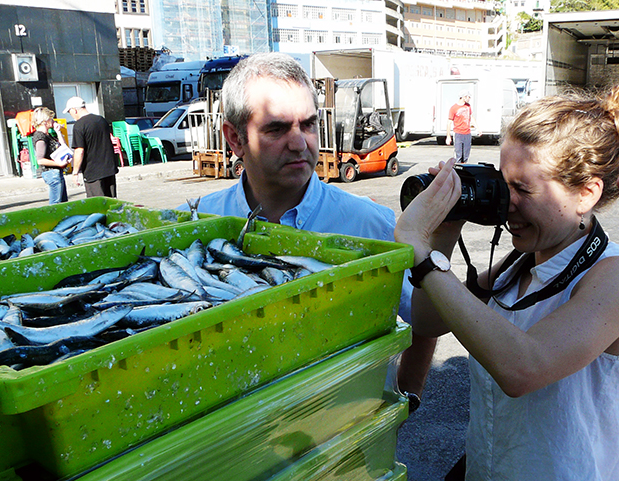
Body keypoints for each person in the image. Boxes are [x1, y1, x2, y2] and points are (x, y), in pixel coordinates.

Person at [177, 52, 437, 407]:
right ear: (234, 139)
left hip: (345, 438)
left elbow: (424, 321)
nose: (299, 143)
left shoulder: (370, 224)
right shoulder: (193, 227)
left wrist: (406, 400)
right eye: (277, 128)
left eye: (308, 125)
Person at [395, 87, 619, 479]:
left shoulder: (610, 276)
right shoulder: (518, 267)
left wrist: (422, 255)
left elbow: (524, 367)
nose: (505, 202)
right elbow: (429, 323)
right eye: (503, 183)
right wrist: (443, 234)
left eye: (523, 189)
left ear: (586, 193)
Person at [64, 97, 118, 198]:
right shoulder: (101, 120)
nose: (70, 114)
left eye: (69, 112)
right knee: (111, 202)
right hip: (109, 168)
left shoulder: (79, 125)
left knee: (97, 205)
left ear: (74, 110)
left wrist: (75, 172)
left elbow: (79, 151)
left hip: (93, 171)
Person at [31, 107, 69, 204]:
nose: (53, 121)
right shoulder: (40, 136)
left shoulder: (48, 135)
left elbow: (63, 146)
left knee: (63, 202)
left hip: (56, 172)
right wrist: (58, 164)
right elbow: (40, 159)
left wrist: (58, 132)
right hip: (51, 173)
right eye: (50, 119)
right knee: (55, 203)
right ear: (44, 121)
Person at [446, 90, 478, 163]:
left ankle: (464, 170)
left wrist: (477, 128)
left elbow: (471, 117)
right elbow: (449, 122)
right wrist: (448, 136)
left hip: (467, 133)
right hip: (458, 133)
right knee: (458, 155)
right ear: (464, 97)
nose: (469, 98)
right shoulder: (454, 108)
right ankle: (457, 170)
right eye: (468, 97)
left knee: (466, 155)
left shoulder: (468, 106)